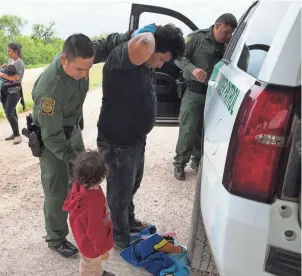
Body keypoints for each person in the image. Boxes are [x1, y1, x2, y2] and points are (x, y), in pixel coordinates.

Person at [31, 28, 143, 258]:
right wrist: (78, 159)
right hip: (52, 140)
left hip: (72, 131)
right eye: (79, 69)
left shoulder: (81, 56)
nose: (84, 74)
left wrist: (130, 35)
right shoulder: (49, 91)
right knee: (57, 189)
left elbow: (104, 44)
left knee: (81, 181)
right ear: (64, 60)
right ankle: (56, 237)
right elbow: (52, 137)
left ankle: (84, 225)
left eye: (88, 69)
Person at [96, 24, 185, 250]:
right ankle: (119, 236)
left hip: (135, 138)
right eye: (162, 58)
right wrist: (152, 33)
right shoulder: (123, 57)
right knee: (119, 192)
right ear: (153, 46)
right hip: (118, 140)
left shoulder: (146, 61)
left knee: (131, 185)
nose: (162, 64)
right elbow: (145, 42)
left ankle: (128, 221)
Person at [173, 13, 237, 180]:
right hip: (194, 92)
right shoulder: (197, 38)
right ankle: (179, 163)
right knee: (188, 129)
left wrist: (229, 48)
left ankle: (198, 159)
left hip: (215, 94)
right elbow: (178, 57)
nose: (228, 36)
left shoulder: (230, 45)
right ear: (217, 26)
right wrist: (192, 69)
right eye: (226, 32)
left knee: (205, 129)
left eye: (231, 33)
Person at [63, 150, 115, 276]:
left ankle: (97, 274)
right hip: (91, 244)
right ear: (100, 176)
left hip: (82, 234)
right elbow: (95, 230)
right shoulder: (93, 200)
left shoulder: (79, 183)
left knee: (93, 261)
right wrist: (102, 248)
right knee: (88, 264)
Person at [0, 43, 25, 145]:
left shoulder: (19, 63)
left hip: (14, 91)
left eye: (9, 51)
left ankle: (17, 135)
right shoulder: (11, 61)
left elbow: (16, 78)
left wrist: (2, 75)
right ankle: (15, 132)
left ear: (15, 51)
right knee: (11, 112)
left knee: (9, 112)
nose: (7, 52)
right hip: (7, 91)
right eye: (7, 50)